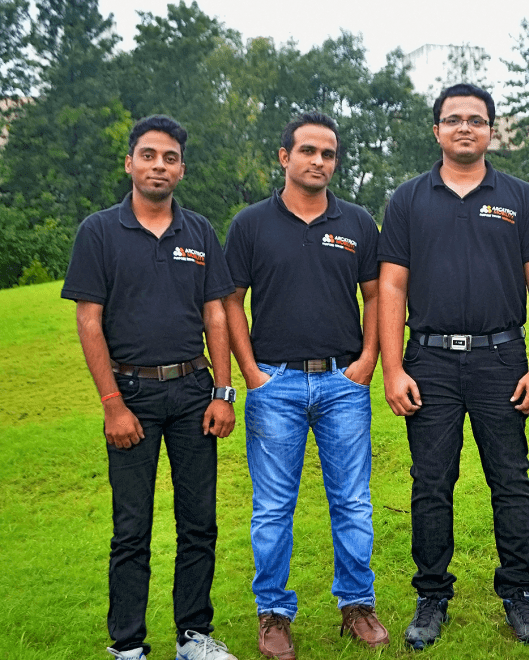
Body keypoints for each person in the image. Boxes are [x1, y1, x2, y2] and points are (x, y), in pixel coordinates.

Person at [377, 83, 529, 649]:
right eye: (453, 119)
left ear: (490, 130)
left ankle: (518, 593)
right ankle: (432, 596)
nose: (464, 127)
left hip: (501, 359)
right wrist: (392, 368)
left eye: (476, 120)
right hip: (427, 360)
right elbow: (392, 285)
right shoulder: (407, 199)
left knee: (510, 479)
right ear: (436, 131)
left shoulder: (520, 197)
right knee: (432, 483)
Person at [62, 115, 238, 660]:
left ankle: (193, 636)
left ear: (181, 169)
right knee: (132, 528)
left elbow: (216, 314)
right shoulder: (99, 231)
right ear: (130, 162)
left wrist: (223, 392)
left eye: (169, 158)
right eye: (148, 155)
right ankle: (128, 646)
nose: (158, 165)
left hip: (193, 393)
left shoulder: (200, 231)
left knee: (198, 523)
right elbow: (89, 322)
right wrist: (112, 404)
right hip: (131, 398)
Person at [224, 111, 386, 658]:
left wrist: (368, 361)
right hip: (277, 385)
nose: (319, 161)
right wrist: (251, 374)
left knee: (354, 503)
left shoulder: (358, 223)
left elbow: (376, 296)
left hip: (343, 382)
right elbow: (230, 303)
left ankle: (357, 606)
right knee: (272, 507)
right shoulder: (250, 224)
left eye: (329, 153)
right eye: (308, 151)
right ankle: (273, 614)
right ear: (284, 157)